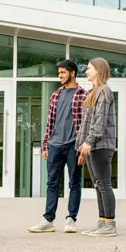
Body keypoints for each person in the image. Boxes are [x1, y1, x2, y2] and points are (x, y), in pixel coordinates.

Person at [28, 60, 87, 233]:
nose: (60, 76)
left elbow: (85, 124)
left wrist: (83, 147)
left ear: (73, 73)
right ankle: (48, 220)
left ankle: (71, 220)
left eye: (63, 73)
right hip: (55, 144)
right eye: (59, 73)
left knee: (74, 183)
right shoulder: (56, 95)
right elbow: (50, 122)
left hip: (73, 146)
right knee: (51, 183)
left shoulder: (83, 94)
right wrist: (46, 143)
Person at [77, 58, 117, 237]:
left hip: (101, 145)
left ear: (99, 70)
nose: (86, 71)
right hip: (92, 146)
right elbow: (87, 123)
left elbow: (99, 122)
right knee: (97, 185)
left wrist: (89, 141)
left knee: (104, 184)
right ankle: (102, 222)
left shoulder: (104, 91)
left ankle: (109, 225)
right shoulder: (93, 92)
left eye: (89, 68)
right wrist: (83, 146)